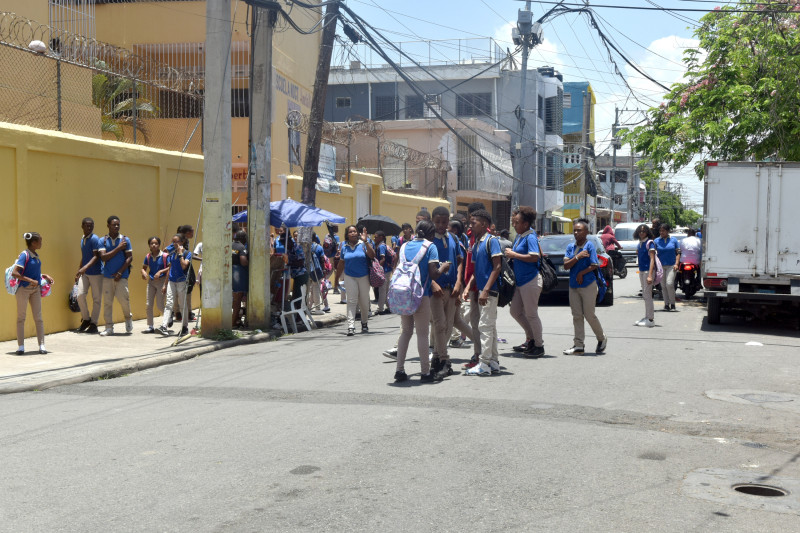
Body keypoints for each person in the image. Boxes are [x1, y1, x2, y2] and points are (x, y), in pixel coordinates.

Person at [393, 220, 448, 383]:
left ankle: (399, 370)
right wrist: (444, 267)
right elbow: (433, 274)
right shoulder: (430, 247)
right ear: (431, 234)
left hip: (403, 294)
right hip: (421, 295)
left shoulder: (404, 246)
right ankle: (425, 372)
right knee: (422, 333)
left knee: (406, 332)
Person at [461, 209, 503, 376]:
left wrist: (485, 290)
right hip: (480, 290)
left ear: (484, 224)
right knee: (489, 326)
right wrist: (467, 287)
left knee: (485, 326)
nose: (471, 225)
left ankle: (484, 364)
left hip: (489, 291)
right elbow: (475, 271)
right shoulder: (477, 243)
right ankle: (492, 361)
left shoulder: (491, 241)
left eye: (474, 222)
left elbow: (497, 266)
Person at [562, 218, 607, 355]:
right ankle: (578, 345)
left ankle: (601, 338)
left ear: (586, 232)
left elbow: (594, 264)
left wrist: (582, 272)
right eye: (574, 230)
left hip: (588, 284)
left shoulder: (589, 246)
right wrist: (578, 256)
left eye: (579, 230)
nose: (576, 233)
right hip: (573, 285)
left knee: (589, 314)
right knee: (576, 315)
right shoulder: (571, 247)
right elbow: (566, 265)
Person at [429, 206, 464, 381]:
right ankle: (445, 361)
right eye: (438, 222)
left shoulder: (454, 239)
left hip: (451, 288)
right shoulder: (428, 240)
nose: (441, 225)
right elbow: (422, 266)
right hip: (435, 290)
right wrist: (432, 282)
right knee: (439, 324)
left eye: (444, 222)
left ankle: (436, 358)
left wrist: (459, 282)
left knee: (448, 326)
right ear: (432, 221)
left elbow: (459, 261)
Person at [505, 206, 545, 357]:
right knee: (515, 311)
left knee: (531, 314)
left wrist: (514, 255)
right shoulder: (520, 236)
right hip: (520, 282)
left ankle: (539, 345)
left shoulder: (530, 236)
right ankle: (531, 338)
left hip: (531, 280)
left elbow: (535, 256)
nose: (514, 225)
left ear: (526, 224)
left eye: (516, 222)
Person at [12, 232, 54, 354]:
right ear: (34, 243)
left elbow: (32, 272)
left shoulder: (35, 255)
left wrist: (44, 275)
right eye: (40, 241)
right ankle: (21, 346)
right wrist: (30, 280)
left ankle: (41, 345)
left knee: (38, 318)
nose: (41, 243)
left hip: (35, 290)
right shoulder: (24, 255)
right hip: (23, 289)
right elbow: (15, 273)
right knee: (21, 318)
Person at [336, 224, 376, 336]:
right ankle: (351, 326)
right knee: (351, 301)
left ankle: (364, 323)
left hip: (363, 277)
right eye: (350, 232)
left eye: (355, 231)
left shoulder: (363, 244)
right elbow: (341, 264)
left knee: (364, 302)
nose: (353, 233)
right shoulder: (344, 247)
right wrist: (336, 279)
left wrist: (366, 242)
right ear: (347, 235)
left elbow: (372, 255)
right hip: (349, 277)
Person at [98, 216, 133, 336]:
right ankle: (109, 327)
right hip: (107, 276)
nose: (116, 227)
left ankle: (128, 318)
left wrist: (120, 272)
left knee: (124, 300)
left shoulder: (125, 240)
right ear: (108, 225)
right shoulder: (102, 240)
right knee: (107, 302)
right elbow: (103, 257)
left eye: (118, 224)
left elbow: (129, 257)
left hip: (122, 276)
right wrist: (118, 248)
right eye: (114, 225)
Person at [158, 234, 192, 336]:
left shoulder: (187, 253)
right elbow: (170, 269)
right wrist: (165, 284)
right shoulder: (171, 254)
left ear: (181, 242)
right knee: (169, 303)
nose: (174, 244)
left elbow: (184, 266)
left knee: (182, 305)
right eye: (173, 241)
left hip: (181, 281)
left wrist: (180, 253)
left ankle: (184, 327)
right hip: (172, 281)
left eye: (176, 242)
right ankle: (164, 326)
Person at [74, 217, 102, 334]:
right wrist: (80, 269)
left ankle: (93, 324)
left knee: (96, 299)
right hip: (85, 273)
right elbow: (84, 256)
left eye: (91, 225)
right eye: (87, 225)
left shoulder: (95, 239)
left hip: (96, 273)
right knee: (80, 295)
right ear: (82, 226)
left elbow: (96, 256)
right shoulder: (83, 239)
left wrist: (85, 267)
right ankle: (86, 319)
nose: (89, 227)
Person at [141, 236, 168, 333]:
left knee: (160, 305)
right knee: (149, 304)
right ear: (149, 245)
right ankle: (150, 326)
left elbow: (170, 268)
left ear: (159, 245)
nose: (154, 245)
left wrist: (160, 271)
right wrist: (143, 272)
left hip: (162, 281)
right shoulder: (148, 256)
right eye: (152, 243)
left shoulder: (164, 256)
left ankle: (167, 321)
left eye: (156, 243)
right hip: (151, 282)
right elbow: (144, 267)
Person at [635, 224, 657, 327]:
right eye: (640, 231)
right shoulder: (640, 243)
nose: (641, 233)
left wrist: (650, 275)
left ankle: (651, 319)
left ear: (647, 232)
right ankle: (647, 316)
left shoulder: (650, 243)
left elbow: (652, 259)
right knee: (645, 294)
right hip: (642, 271)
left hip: (648, 271)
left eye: (643, 231)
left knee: (647, 295)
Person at [655, 223, 681, 311]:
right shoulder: (656, 241)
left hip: (671, 266)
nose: (661, 232)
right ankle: (666, 304)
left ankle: (672, 304)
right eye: (660, 231)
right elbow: (653, 254)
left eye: (663, 230)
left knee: (669, 284)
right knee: (663, 286)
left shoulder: (674, 240)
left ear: (668, 231)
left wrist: (676, 264)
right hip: (660, 267)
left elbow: (678, 253)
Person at [231, 230, 249, 328]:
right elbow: (243, 262)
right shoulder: (241, 247)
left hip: (229, 273)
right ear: (243, 238)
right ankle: (232, 323)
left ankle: (236, 320)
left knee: (234, 300)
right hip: (239, 275)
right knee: (238, 300)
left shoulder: (229, 245)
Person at [374, 231, 393, 315]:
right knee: (386, 290)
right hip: (387, 270)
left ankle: (380, 309)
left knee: (382, 290)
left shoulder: (381, 247)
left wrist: (378, 269)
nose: (374, 238)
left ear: (381, 237)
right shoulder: (383, 245)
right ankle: (389, 307)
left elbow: (383, 259)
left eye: (376, 237)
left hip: (384, 271)